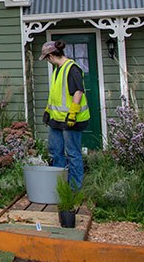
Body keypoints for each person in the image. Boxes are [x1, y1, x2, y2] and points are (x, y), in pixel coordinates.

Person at [40, 40, 91, 190]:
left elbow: (78, 92)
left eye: (46, 58)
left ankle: (74, 188)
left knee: (73, 153)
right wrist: (48, 111)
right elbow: (56, 95)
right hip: (56, 119)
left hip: (71, 120)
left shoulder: (72, 68)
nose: (47, 61)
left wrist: (73, 114)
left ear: (50, 56)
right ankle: (61, 186)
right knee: (55, 151)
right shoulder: (57, 69)